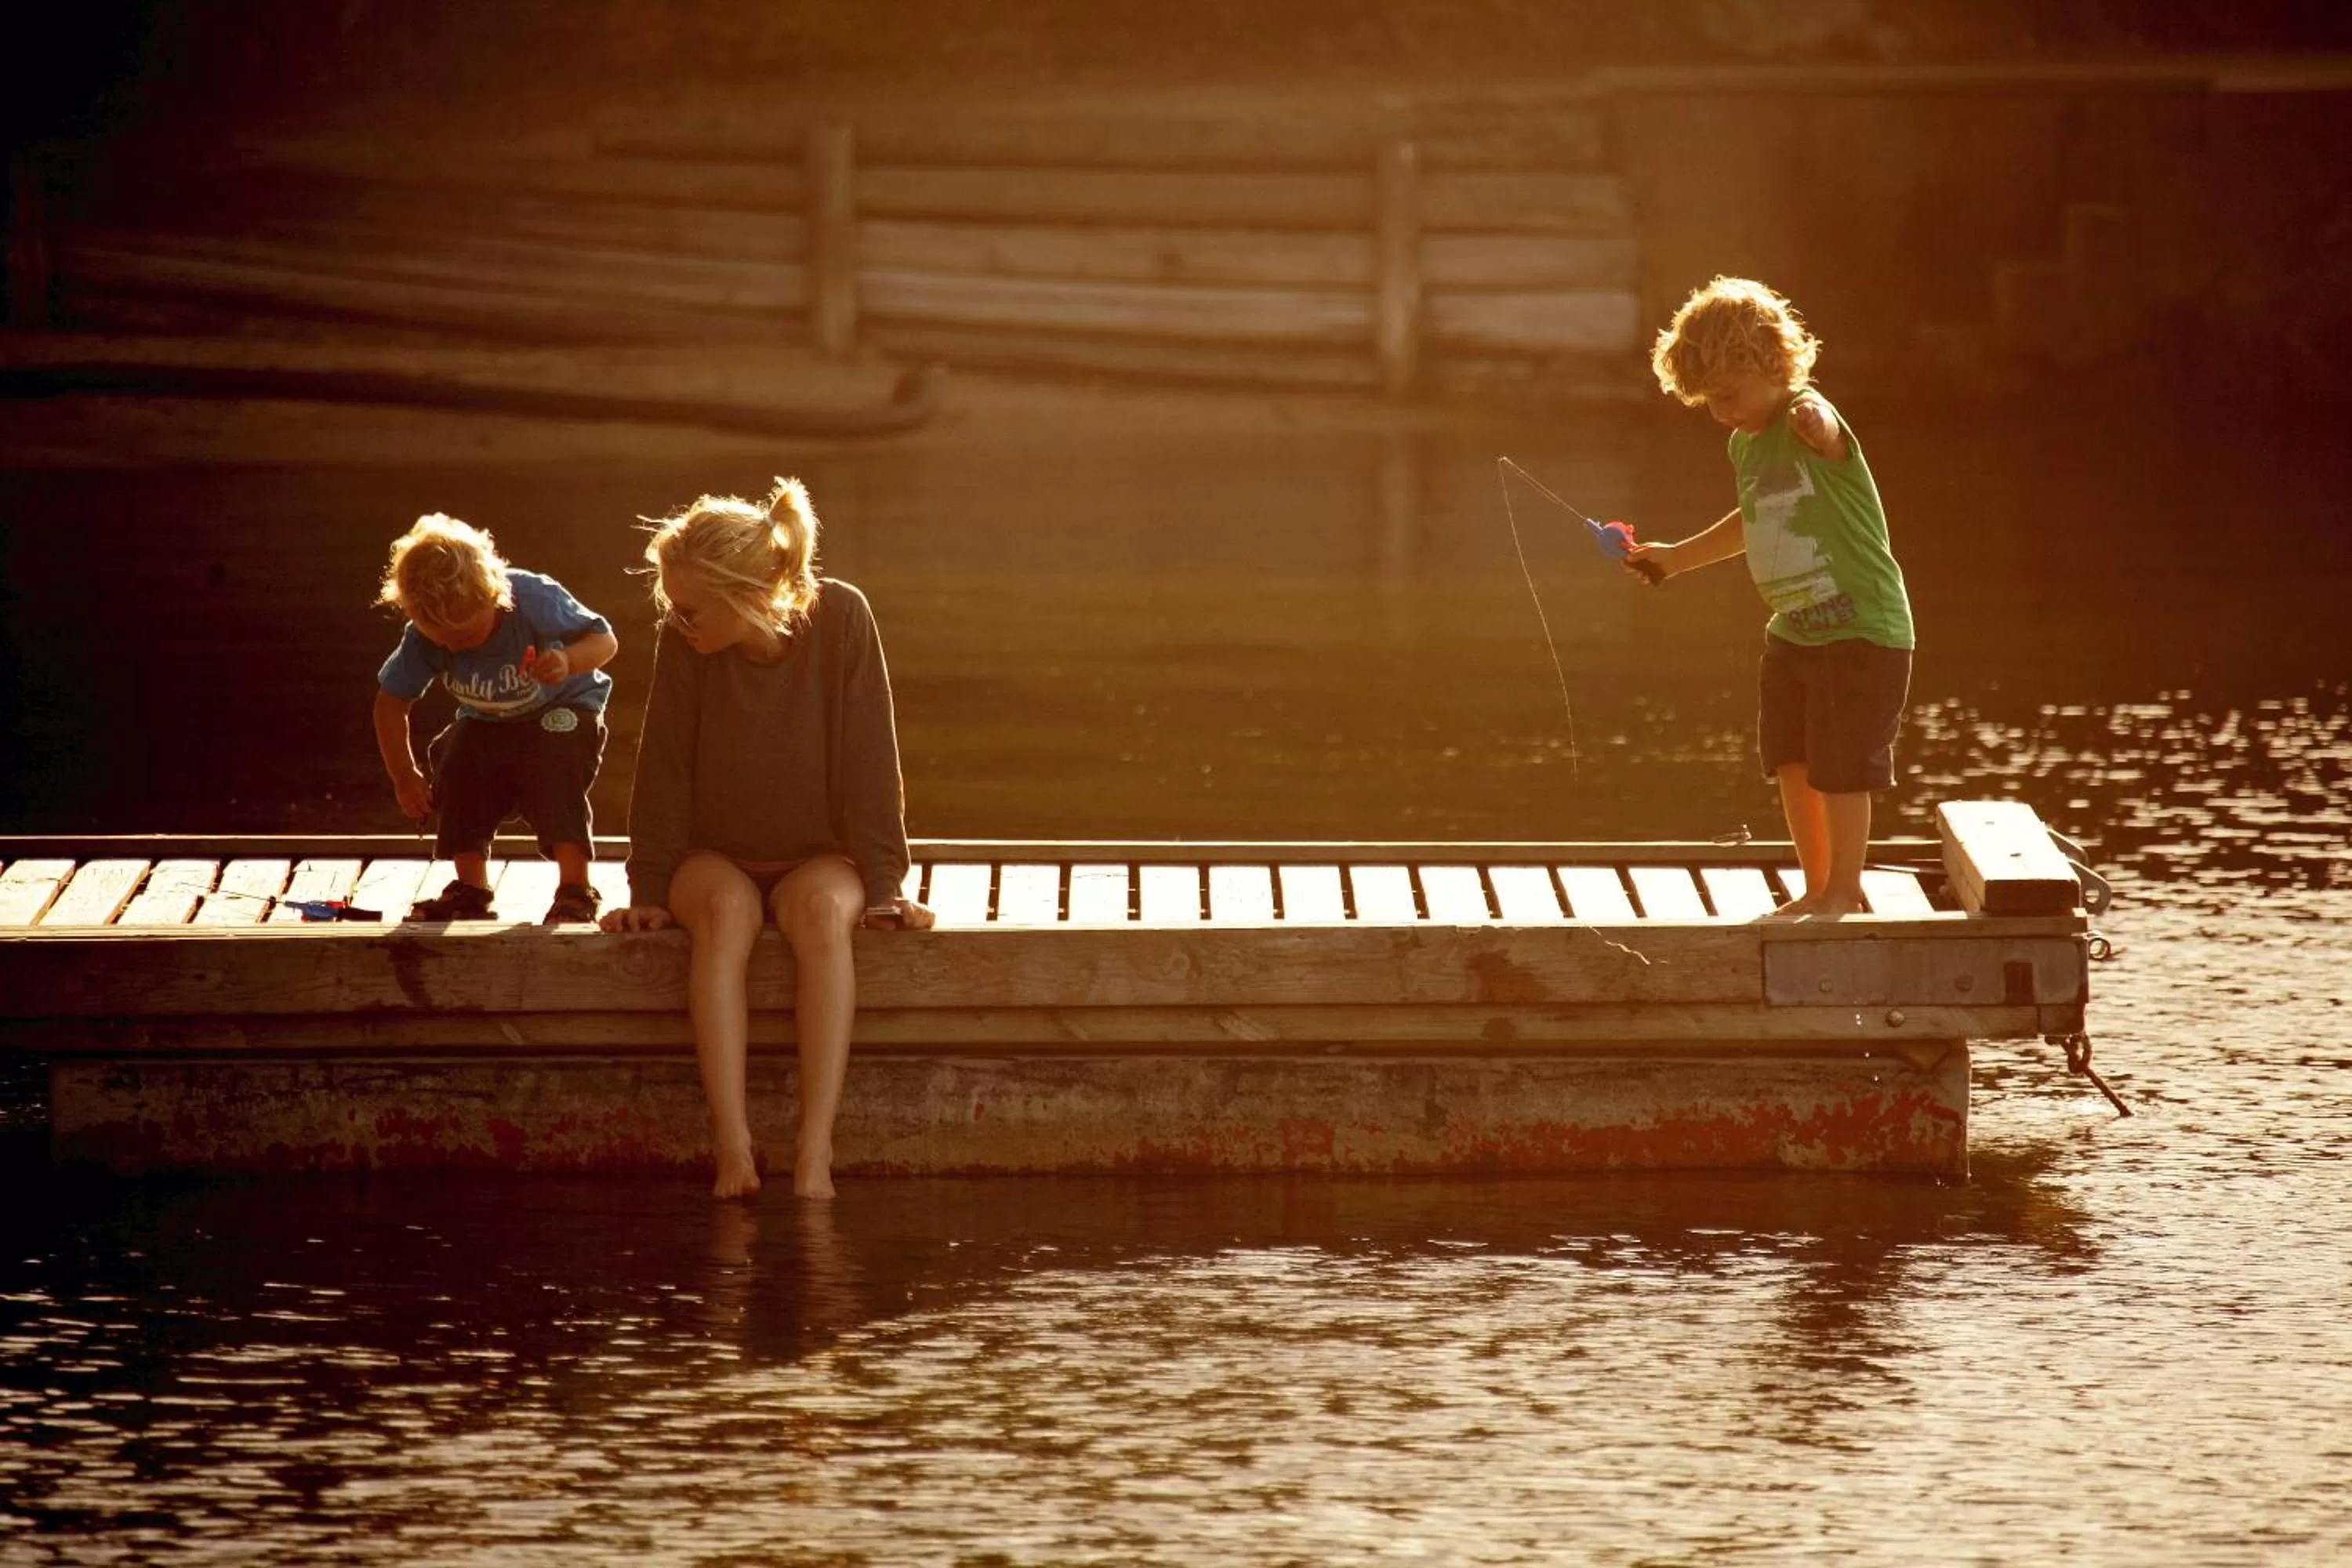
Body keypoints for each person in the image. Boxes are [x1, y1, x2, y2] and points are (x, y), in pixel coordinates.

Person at [598, 477, 932, 1201]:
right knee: (724, 917)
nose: (676, 618)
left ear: (741, 593)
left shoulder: (842, 617)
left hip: (820, 859)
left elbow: (873, 762)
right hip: (714, 857)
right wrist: (649, 892)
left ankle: (814, 1157)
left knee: (818, 918)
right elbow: (663, 767)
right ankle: (734, 1151)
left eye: (687, 606)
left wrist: (884, 889)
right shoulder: (686, 644)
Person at [1630, 277, 1915, 920]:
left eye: (1730, 394)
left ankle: (1844, 892)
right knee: (1792, 761)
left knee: (1843, 768)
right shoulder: (1747, 442)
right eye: (1710, 403)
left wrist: (1815, 422)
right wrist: (1674, 559)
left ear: (1772, 364)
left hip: (1859, 629)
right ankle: (1816, 888)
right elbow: (1752, 519)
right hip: (1795, 631)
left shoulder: (1806, 416)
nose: (1724, 413)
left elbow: (1830, 435)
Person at [372, 514, 618, 924]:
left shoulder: (533, 597)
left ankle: (575, 887)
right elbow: (391, 702)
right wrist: (404, 776)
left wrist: (566, 660)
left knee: (556, 764)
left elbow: (604, 640)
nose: (454, 645)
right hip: (488, 718)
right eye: (442, 638)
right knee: (456, 761)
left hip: (563, 706)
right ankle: (471, 888)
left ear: (494, 597)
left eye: (466, 637)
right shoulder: (424, 636)